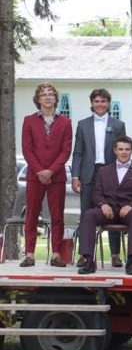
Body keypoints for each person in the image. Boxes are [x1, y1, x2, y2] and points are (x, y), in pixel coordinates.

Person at [76, 136, 132, 275]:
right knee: (88, 215)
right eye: (121, 149)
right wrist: (103, 204)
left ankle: (131, 262)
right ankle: (88, 260)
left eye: (127, 149)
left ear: (131, 151)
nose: (124, 152)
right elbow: (96, 193)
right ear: (115, 150)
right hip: (108, 211)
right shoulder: (104, 170)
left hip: (129, 212)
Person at [71, 88, 127, 268]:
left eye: (103, 101)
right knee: (86, 214)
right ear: (92, 104)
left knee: (112, 212)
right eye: (97, 101)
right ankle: (84, 254)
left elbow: (122, 150)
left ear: (108, 103)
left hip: (110, 173)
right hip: (89, 174)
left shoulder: (118, 125)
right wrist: (75, 176)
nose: (100, 104)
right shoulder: (83, 124)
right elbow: (78, 152)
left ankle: (115, 254)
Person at [20, 83, 72, 268]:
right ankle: (29, 255)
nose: (48, 97)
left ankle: (57, 255)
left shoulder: (66, 122)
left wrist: (51, 171)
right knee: (32, 215)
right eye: (44, 94)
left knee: (57, 216)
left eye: (51, 94)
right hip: (35, 176)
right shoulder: (29, 121)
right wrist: (40, 171)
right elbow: (26, 149)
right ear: (38, 99)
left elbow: (66, 151)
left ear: (55, 99)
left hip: (56, 176)